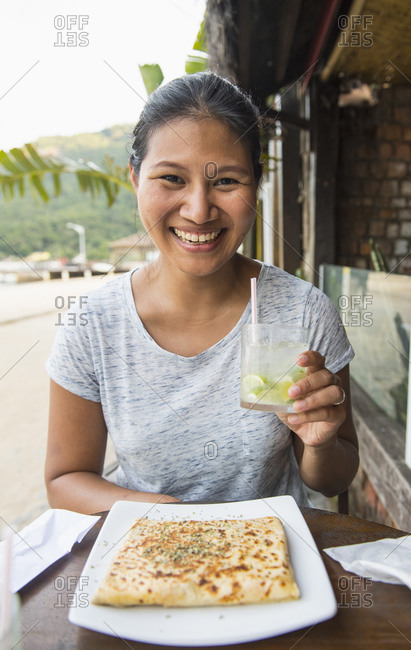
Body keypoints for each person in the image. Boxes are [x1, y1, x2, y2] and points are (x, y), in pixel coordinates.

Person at [45, 72, 359, 514]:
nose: (198, 210)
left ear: (257, 184)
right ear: (135, 178)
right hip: (146, 562)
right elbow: (65, 480)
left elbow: (335, 478)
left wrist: (322, 442)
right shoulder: (94, 325)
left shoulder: (303, 311)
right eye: (172, 178)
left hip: (273, 563)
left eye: (227, 181)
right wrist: (168, 515)